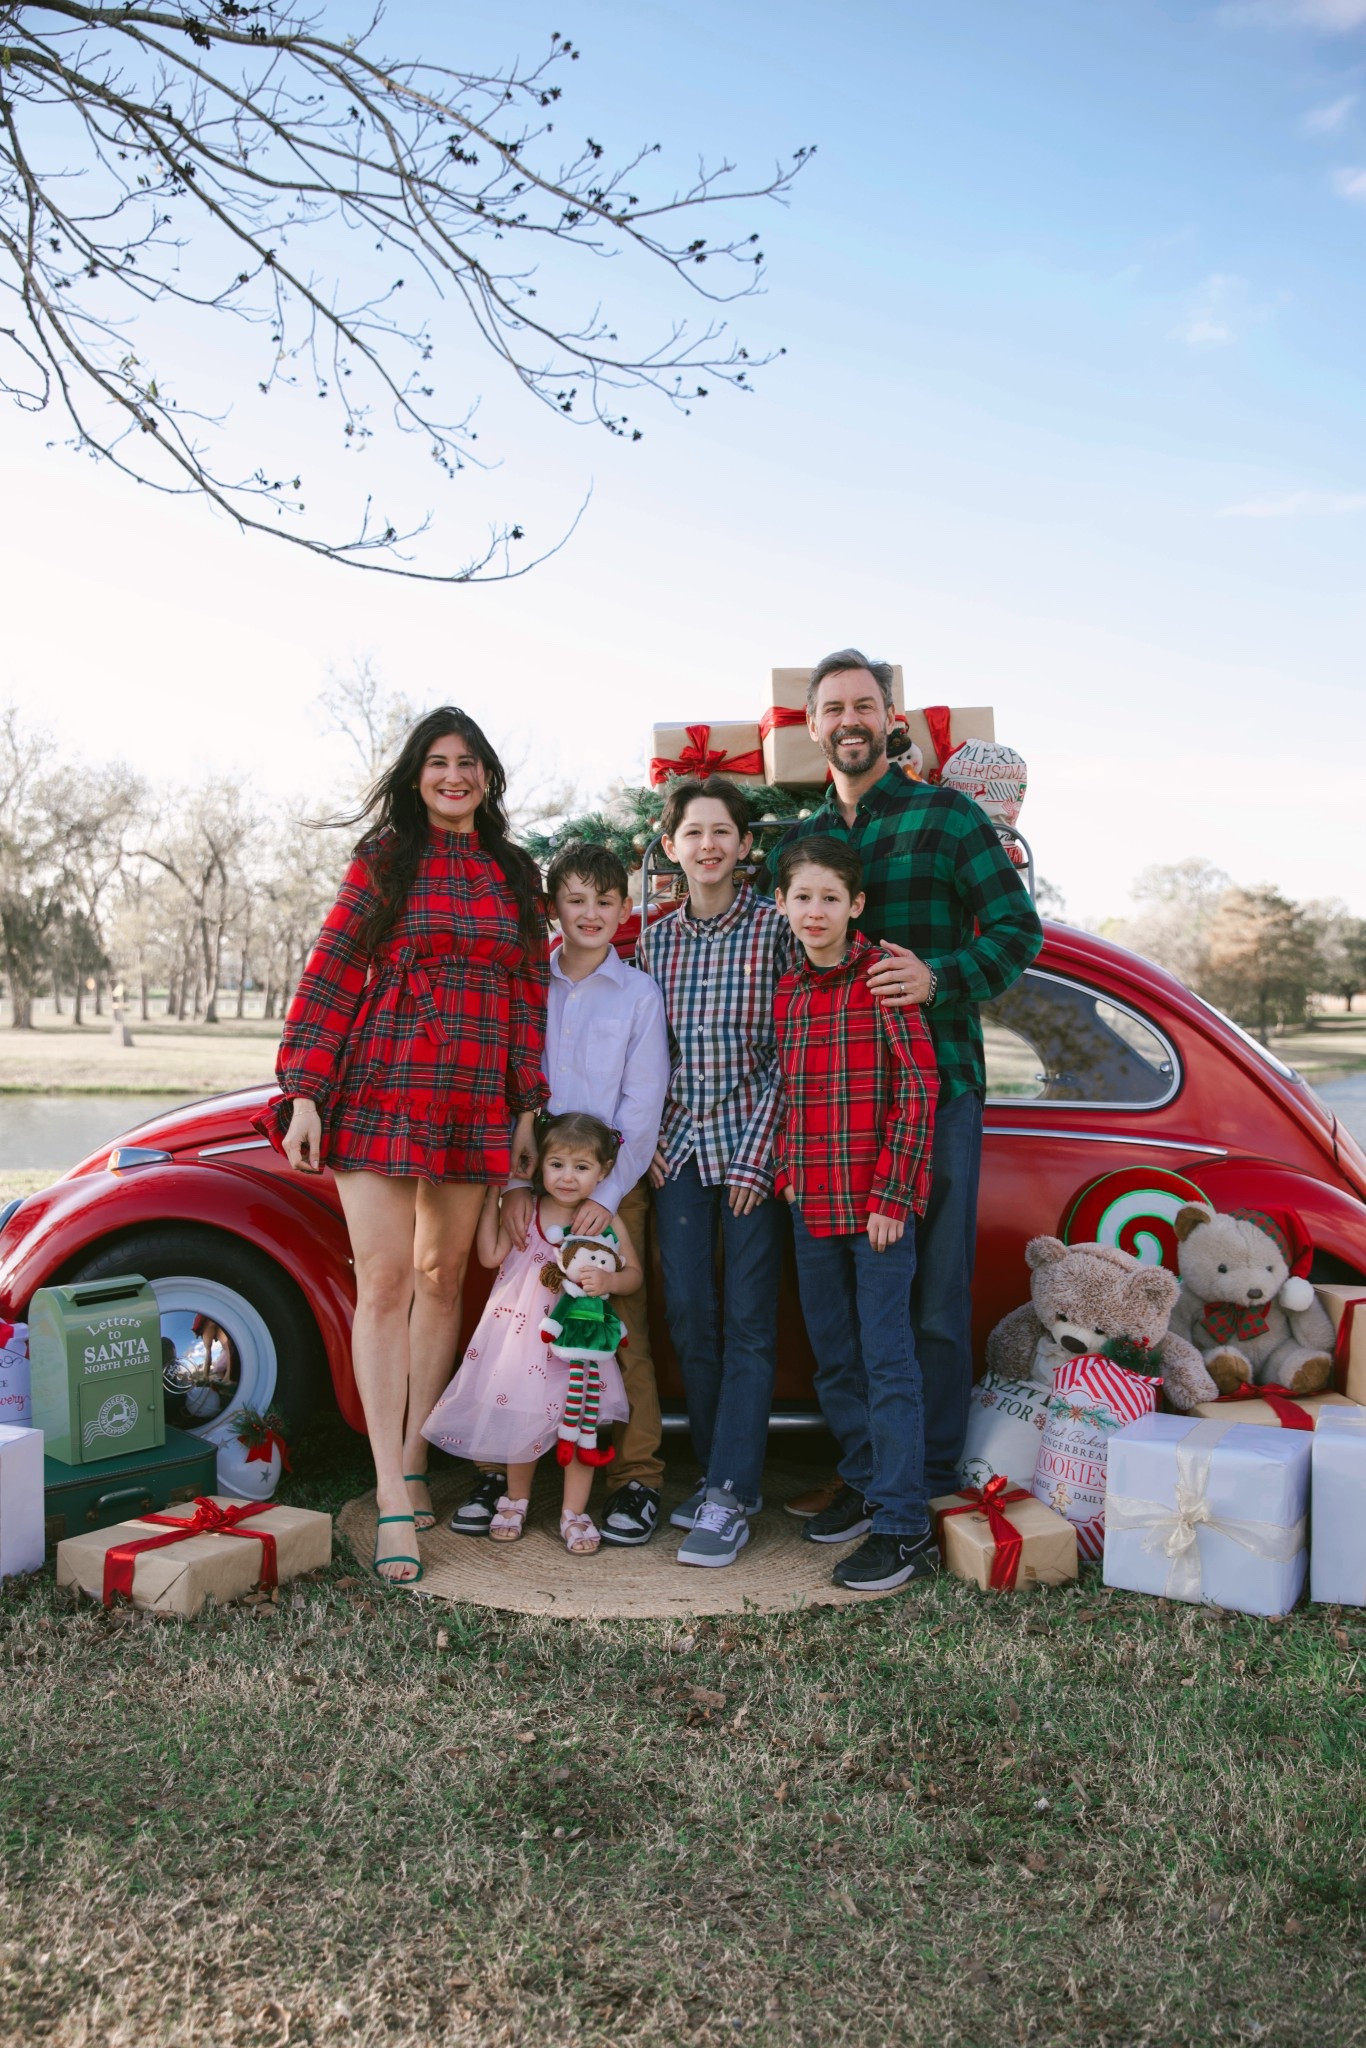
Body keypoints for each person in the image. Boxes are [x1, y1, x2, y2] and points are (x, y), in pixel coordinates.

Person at [276, 708, 548, 1584]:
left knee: (441, 1279)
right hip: (384, 1082)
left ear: (488, 776)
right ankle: (392, 1490)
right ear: (416, 774)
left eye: (468, 762)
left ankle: (419, 1452)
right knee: (386, 1280)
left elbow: (529, 998)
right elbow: (331, 966)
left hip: (473, 1095)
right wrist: (307, 1091)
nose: (454, 776)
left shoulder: (515, 874)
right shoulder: (386, 860)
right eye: (438, 763)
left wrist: (525, 1109)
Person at [777, 652, 1043, 1499]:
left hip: (938, 1092)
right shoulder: (803, 842)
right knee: (846, 1310)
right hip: (832, 1111)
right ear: (812, 725)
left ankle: (926, 1479)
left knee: (931, 1297)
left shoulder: (947, 820)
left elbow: (1017, 931)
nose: (849, 720)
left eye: (865, 705)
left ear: (890, 718)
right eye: (833, 708)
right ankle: (868, 1471)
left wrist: (941, 977)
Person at [449, 841, 671, 1547]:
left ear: (625, 910)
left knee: (615, 1330)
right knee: (513, 1332)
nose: (590, 914)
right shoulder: (528, 983)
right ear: (552, 909)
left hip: (607, 1190)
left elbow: (643, 1103)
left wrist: (607, 1191)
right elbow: (513, 1080)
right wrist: (517, 1184)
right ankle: (496, 1466)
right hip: (534, 1186)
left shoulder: (637, 993)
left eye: (605, 901)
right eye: (575, 900)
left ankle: (633, 1477)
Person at [637, 775, 799, 1568]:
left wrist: (760, 1150)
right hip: (679, 1153)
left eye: (722, 832)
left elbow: (789, 1051)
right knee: (689, 1316)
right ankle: (713, 1472)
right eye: (692, 832)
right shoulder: (655, 941)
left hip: (751, 1152)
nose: (708, 845)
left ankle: (734, 1491)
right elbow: (645, 1053)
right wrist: (653, 1136)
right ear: (670, 849)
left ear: (744, 847)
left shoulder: (774, 931)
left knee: (748, 1321)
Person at [772, 837, 940, 1592]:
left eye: (830, 899)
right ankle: (868, 1485)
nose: (816, 912)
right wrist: (784, 1170)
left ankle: (905, 1528)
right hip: (812, 1203)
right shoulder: (789, 993)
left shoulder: (883, 980)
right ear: (783, 904)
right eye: (802, 897)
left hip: (877, 1213)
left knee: (887, 1362)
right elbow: (786, 1094)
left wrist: (893, 1196)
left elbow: (917, 1091)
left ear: (855, 906)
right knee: (835, 1359)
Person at [421, 1113, 643, 1555]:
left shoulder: (603, 1221)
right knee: (521, 1419)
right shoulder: (528, 1211)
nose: (567, 1177)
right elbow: (489, 1256)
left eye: (582, 1167)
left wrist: (612, 1283)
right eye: (557, 1164)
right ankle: (515, 1499)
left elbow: (633, 1274)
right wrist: (493, 1199)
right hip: (522, 1344)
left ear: (604, 1172)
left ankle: (574, 1512)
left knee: (580, 1425)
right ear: (540, 1164)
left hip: (579, 1349)